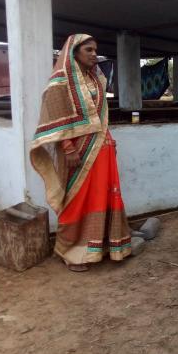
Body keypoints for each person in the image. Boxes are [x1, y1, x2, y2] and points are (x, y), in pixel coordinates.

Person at [30, 34, 132, 271]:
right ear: (74, 52)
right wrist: (67, 148)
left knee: (102, 195)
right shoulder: (60, 82)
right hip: (78, 151)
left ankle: (101, 246)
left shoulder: (96, 79)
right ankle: (70, 251)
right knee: (77, 199)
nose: (94, 54)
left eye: (96, 50)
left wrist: (109, 140)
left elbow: (100, 117)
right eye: (89, 50)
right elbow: (56, 115)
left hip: (102, 149)